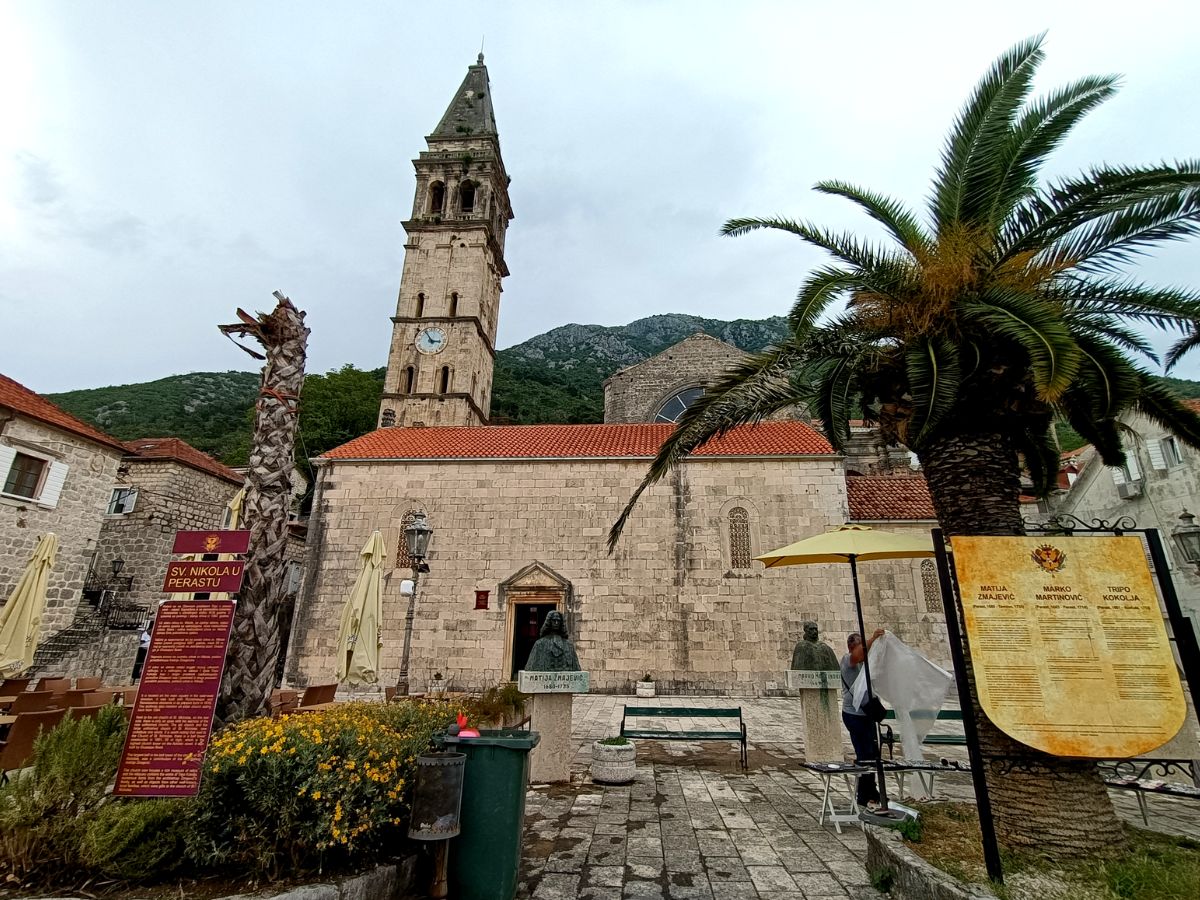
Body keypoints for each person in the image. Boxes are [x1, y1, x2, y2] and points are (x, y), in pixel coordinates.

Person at [841, 627, 886, 808]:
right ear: (852, 647)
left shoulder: (865, 663)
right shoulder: (848, 660)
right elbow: (859, 654)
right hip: (853, 715)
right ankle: (865, 796)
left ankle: (871, 793)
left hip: (866, 714)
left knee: (872, 753)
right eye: (859, 645)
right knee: (864, 754)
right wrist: (873, 638)